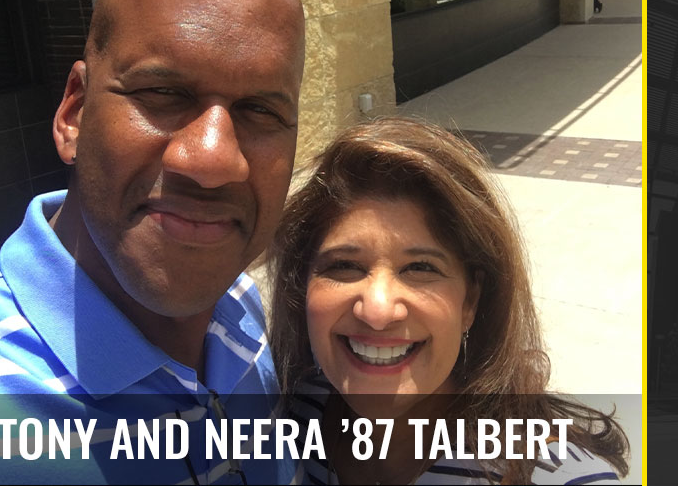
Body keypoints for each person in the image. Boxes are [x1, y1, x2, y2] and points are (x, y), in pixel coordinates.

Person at [0, 0, 305, 483]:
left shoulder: (241, 303)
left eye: (260, 110)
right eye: (163, 94)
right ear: (74, 114)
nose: (213, 160)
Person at [269, 117, 629, 484]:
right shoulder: (284, 417)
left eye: (420, 268)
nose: (377, 311)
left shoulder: (558, 475)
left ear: (470, 299)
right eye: (344, 266)